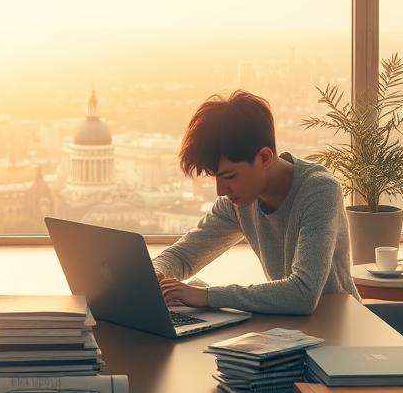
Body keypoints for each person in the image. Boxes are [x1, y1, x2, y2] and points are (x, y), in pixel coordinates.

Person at [153, 90, 358, 315]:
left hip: (340, 329)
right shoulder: (238, 201)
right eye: (215, 177)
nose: (221, 190)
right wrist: (155, 274)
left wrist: (206, 296)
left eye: (229, 176)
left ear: (264, 158)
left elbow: (303, 293)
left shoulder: (319, 190)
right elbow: (183, 256)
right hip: (289, 330)